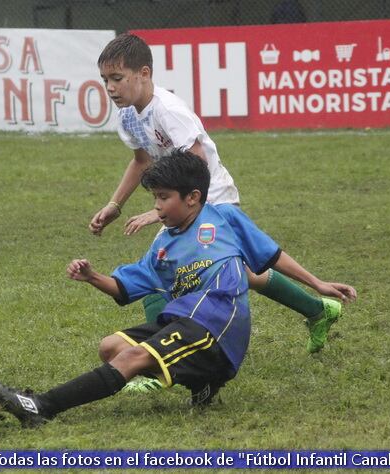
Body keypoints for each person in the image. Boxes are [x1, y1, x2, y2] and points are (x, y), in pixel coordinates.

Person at [0, 150, 356, 427]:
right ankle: (204, 381)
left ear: (193, 197)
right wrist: (93, 277)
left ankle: (41, 407)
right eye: (154, 198)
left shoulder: (224, 217)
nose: (157, 207)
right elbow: (124, 288)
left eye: (164, 197)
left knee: (130, 360)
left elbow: (272, 255)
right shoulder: (162, 247)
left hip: (217, 326)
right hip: (184, 320)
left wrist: (318, 283)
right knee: (110, 348)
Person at [89, 33, 348, 356]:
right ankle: (317, 309)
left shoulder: (168, 110)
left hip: (211, 195)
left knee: (162, 267)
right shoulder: (127, 115)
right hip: (186, 200)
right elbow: (142, 161)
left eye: (117, 78)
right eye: (105, 80)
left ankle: (157, 357)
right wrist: (115, 204)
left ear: (144, 74)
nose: (110, 88)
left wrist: (159, 212)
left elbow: (197, 163)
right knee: (243, 273)